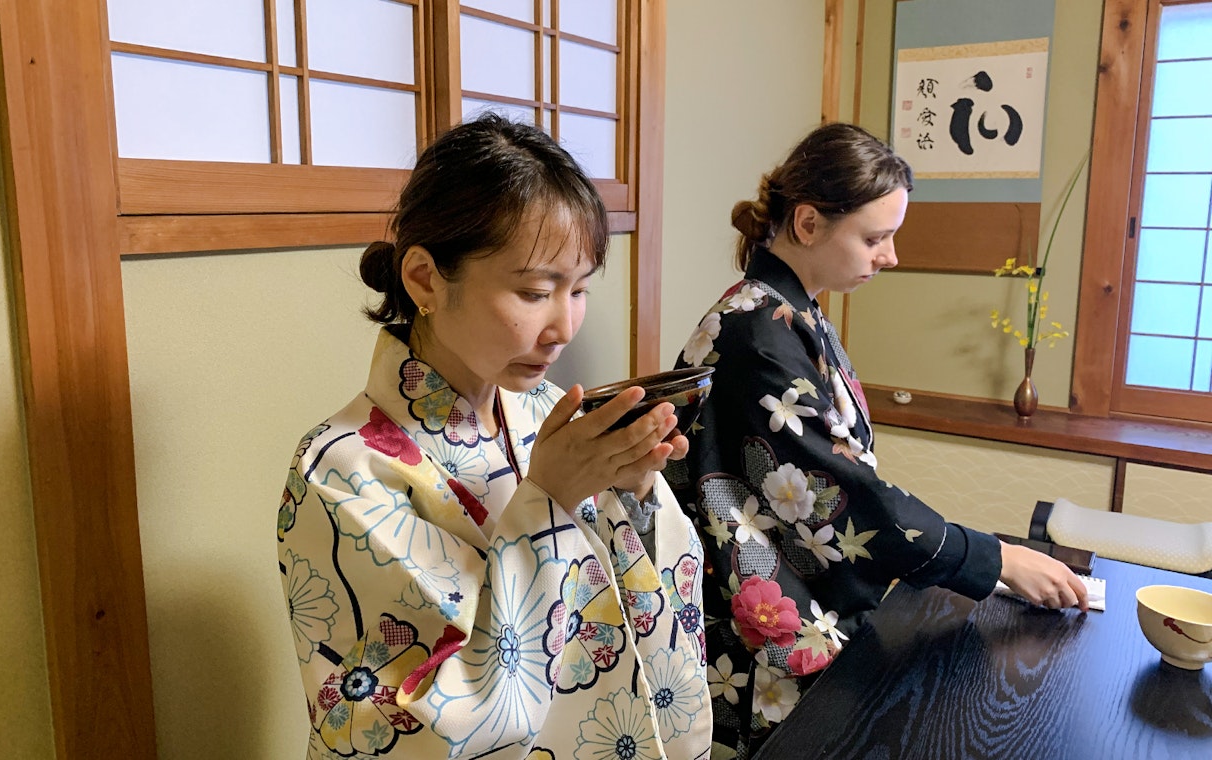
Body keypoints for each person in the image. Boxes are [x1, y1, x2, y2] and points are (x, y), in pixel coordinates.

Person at [277, 114, 711, 760]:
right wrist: (549, 507)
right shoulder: (343, 471)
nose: (564, 325)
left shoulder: (543, 412)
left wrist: (634, 493)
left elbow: (644, 610)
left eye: (580, 289)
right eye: (535, 292)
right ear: (424, 279)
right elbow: (413, 722)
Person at [667, 122, 1088, 758]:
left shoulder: (785, 310)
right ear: (807, 224)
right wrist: (994, 558)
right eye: (874, 237)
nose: (888, 256)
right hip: (753, 617)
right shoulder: (759, 334)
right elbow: (836, 495)